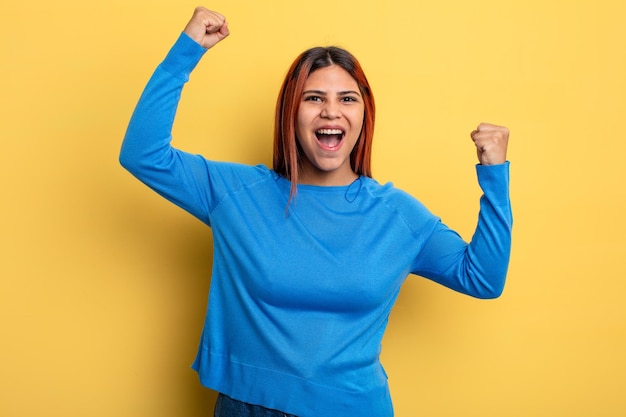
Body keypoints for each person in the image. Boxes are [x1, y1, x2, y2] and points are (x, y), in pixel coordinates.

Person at [119, 6, 512, 417]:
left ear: (364, 114)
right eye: (313, 98)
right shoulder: (236, 194)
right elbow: (144, 154)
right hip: (248, 406)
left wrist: (494, 176)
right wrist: (187, 51)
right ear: (292, 111)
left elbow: (482, 278)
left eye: (347, 99)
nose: (330, 111)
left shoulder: (397, 216)